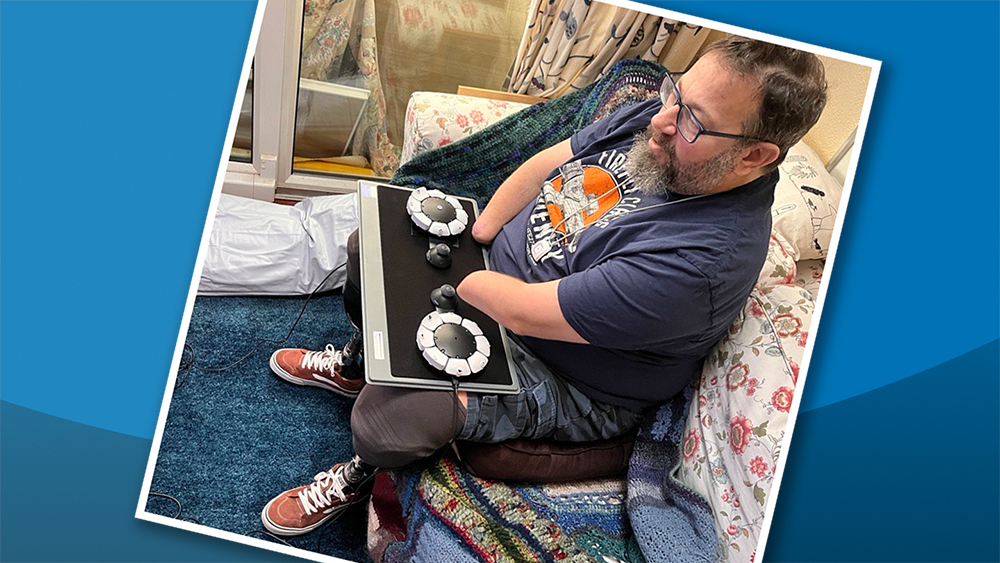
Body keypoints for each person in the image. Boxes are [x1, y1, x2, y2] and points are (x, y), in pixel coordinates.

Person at [260, 36, 827, 537]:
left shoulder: (704, 260)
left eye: (694, 121)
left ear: (755, 155)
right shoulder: (660, 124)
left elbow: (531, 316)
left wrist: (435, 281)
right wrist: (475, 235)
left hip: (563, 372)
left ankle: (361, 469)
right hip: (499, 280)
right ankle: (361, 362)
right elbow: (545, 163)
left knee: (395, 412)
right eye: (675, 93)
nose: (664, 118)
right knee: (371, 245)